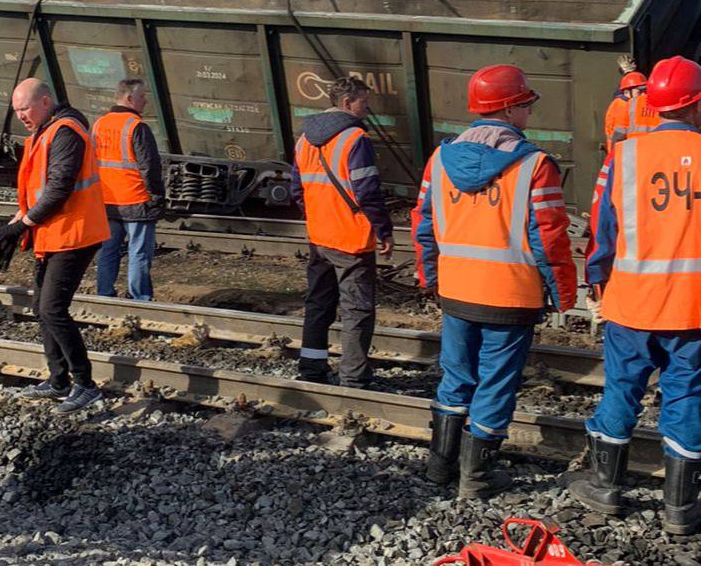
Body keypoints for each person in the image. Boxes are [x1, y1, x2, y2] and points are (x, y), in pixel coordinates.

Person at [413, 64, 576, 500]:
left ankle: (438, 466)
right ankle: (477, 476)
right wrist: (563, 293)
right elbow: (550, 236)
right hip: (510, 295)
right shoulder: (535, 165)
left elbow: (424, 224)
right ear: (508, 108)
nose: (529, 112)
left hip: (456, 291)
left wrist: (430, 276)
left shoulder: (439, 159)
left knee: (455, 377)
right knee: (496, 383)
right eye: (525, 104)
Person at [569, 55, 701, 536]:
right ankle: (681, 510)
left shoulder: (622, 158)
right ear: (695, 104)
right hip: (694, 309)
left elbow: (601, 235)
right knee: (687, 397)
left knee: (622, 389)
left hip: (632, 304)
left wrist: (596, 281)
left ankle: (606, 487)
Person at [0, 78, 109, 413]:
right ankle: (58, 380)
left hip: (76, 233)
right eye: (16, 110)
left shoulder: (65, 132)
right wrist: (15, 224)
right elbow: (36, 189)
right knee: (41, 309)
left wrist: (23, 225)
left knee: (52, 309)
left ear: (45, 101)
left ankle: (85, 384)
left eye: (25, 108)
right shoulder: (45, 132)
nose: (21, 116)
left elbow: (59, 188)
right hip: (55, 233)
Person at [293, 76, 393, 390]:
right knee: (357, 309)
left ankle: (311, 368)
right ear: (348, 103)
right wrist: (384, 230)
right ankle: (354, 376)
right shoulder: (355, 139)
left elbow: (297, 190)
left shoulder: (304, 138)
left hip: (320, 237)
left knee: (318, 303)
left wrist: (319, 218)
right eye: (364, 102)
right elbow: (367, 192)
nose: (367, 108)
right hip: (351, 238)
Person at [93, 78, 165, 302]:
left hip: (107, 202)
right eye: (142, 97)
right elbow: (149, 166)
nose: (145, 102)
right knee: (139, 254)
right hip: (135, 200)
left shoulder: (98, 124)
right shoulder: (136, 127)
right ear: (129, 98)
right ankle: (140, 298)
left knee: (108, 252)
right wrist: (157, 196)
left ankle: (104, 295)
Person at [603, 70, 659, 153]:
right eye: (639, 92)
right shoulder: (621, 106)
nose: (643, 95)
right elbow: (619, 137)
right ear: (626, 92)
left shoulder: (631, 104)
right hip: (624, 153)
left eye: (645, 91)